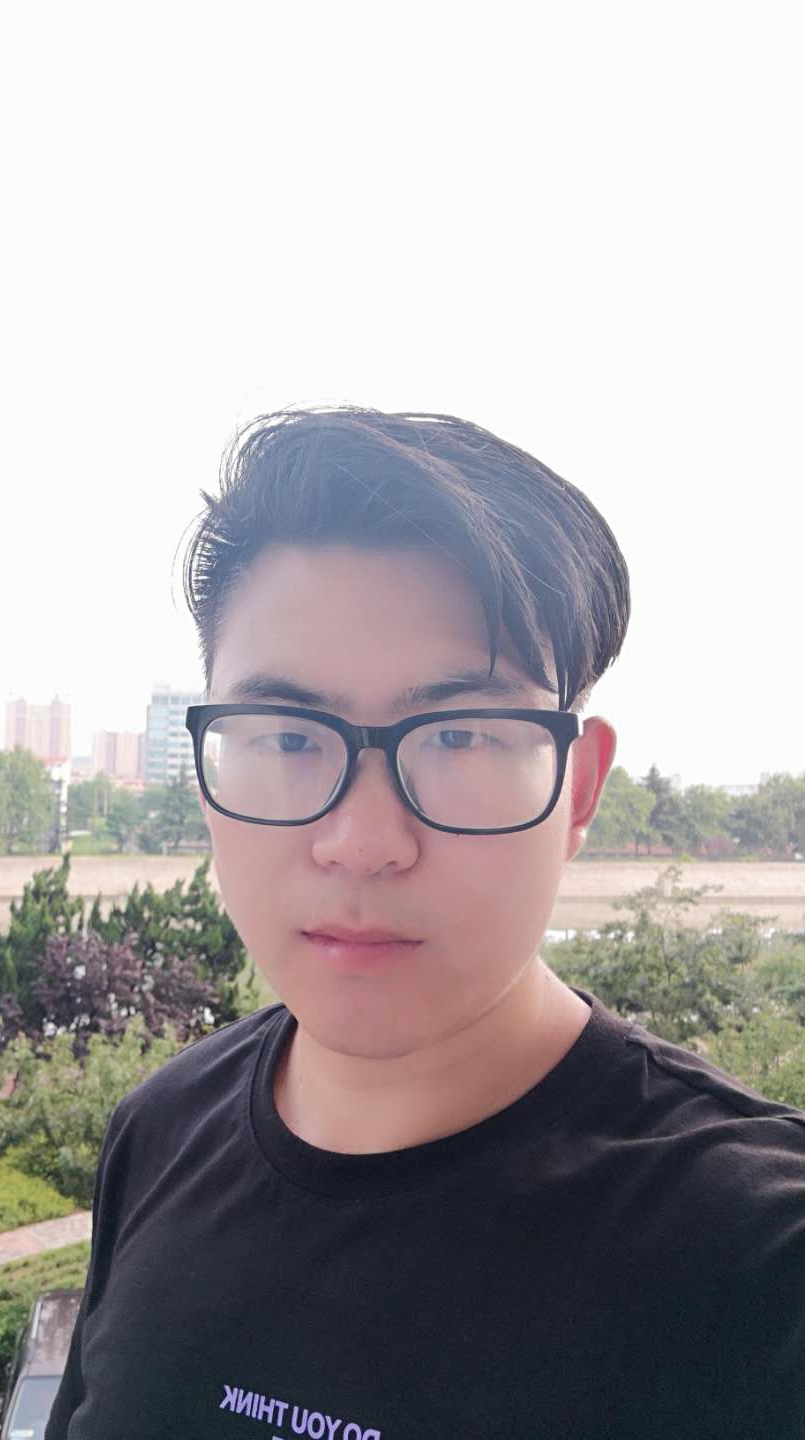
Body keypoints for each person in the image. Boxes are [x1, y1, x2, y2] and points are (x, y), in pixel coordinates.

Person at [45, 409, 805, 1438]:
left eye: (457, 737)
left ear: (577, 788)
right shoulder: (161, 1129)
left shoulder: (759, 1260)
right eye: (289, 738)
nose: (363, 842)